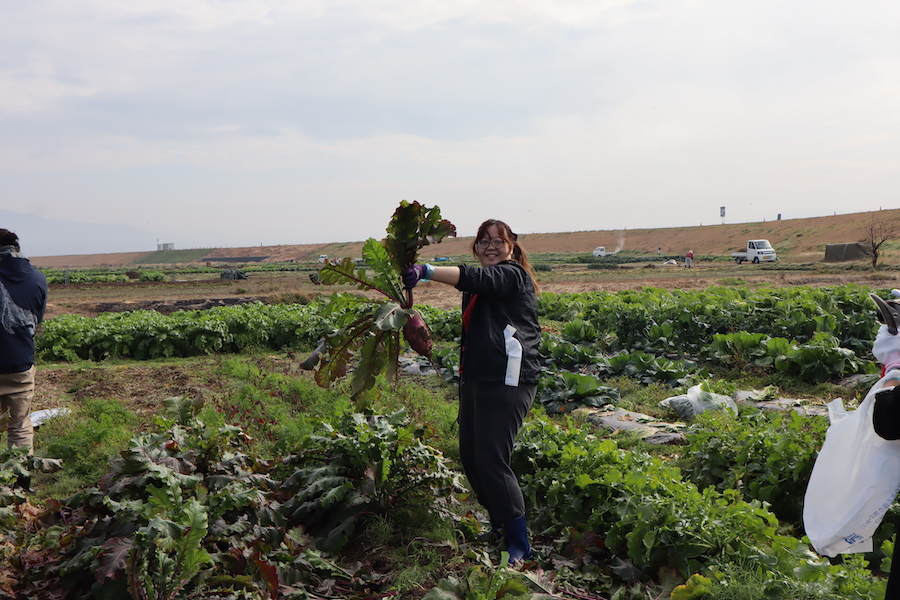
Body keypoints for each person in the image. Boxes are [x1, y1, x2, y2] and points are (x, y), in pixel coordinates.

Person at [402, 219, 541, 563]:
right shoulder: (478, 285)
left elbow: (479, 277)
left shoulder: (512, 275)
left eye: (498, 241)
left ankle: (519, 543)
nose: (490, 247)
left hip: (509, 378)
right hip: (477, 377)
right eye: (483, 241)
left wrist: (428, 270)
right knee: (471, 457)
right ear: (476, 247)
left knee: (492, 460)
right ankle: (499, 525)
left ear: (512, 247)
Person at [0, 229, 48, 460]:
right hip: (19, 364)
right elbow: (35, 321)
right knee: (19, 425)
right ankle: (19, 483)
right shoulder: (37, 279)